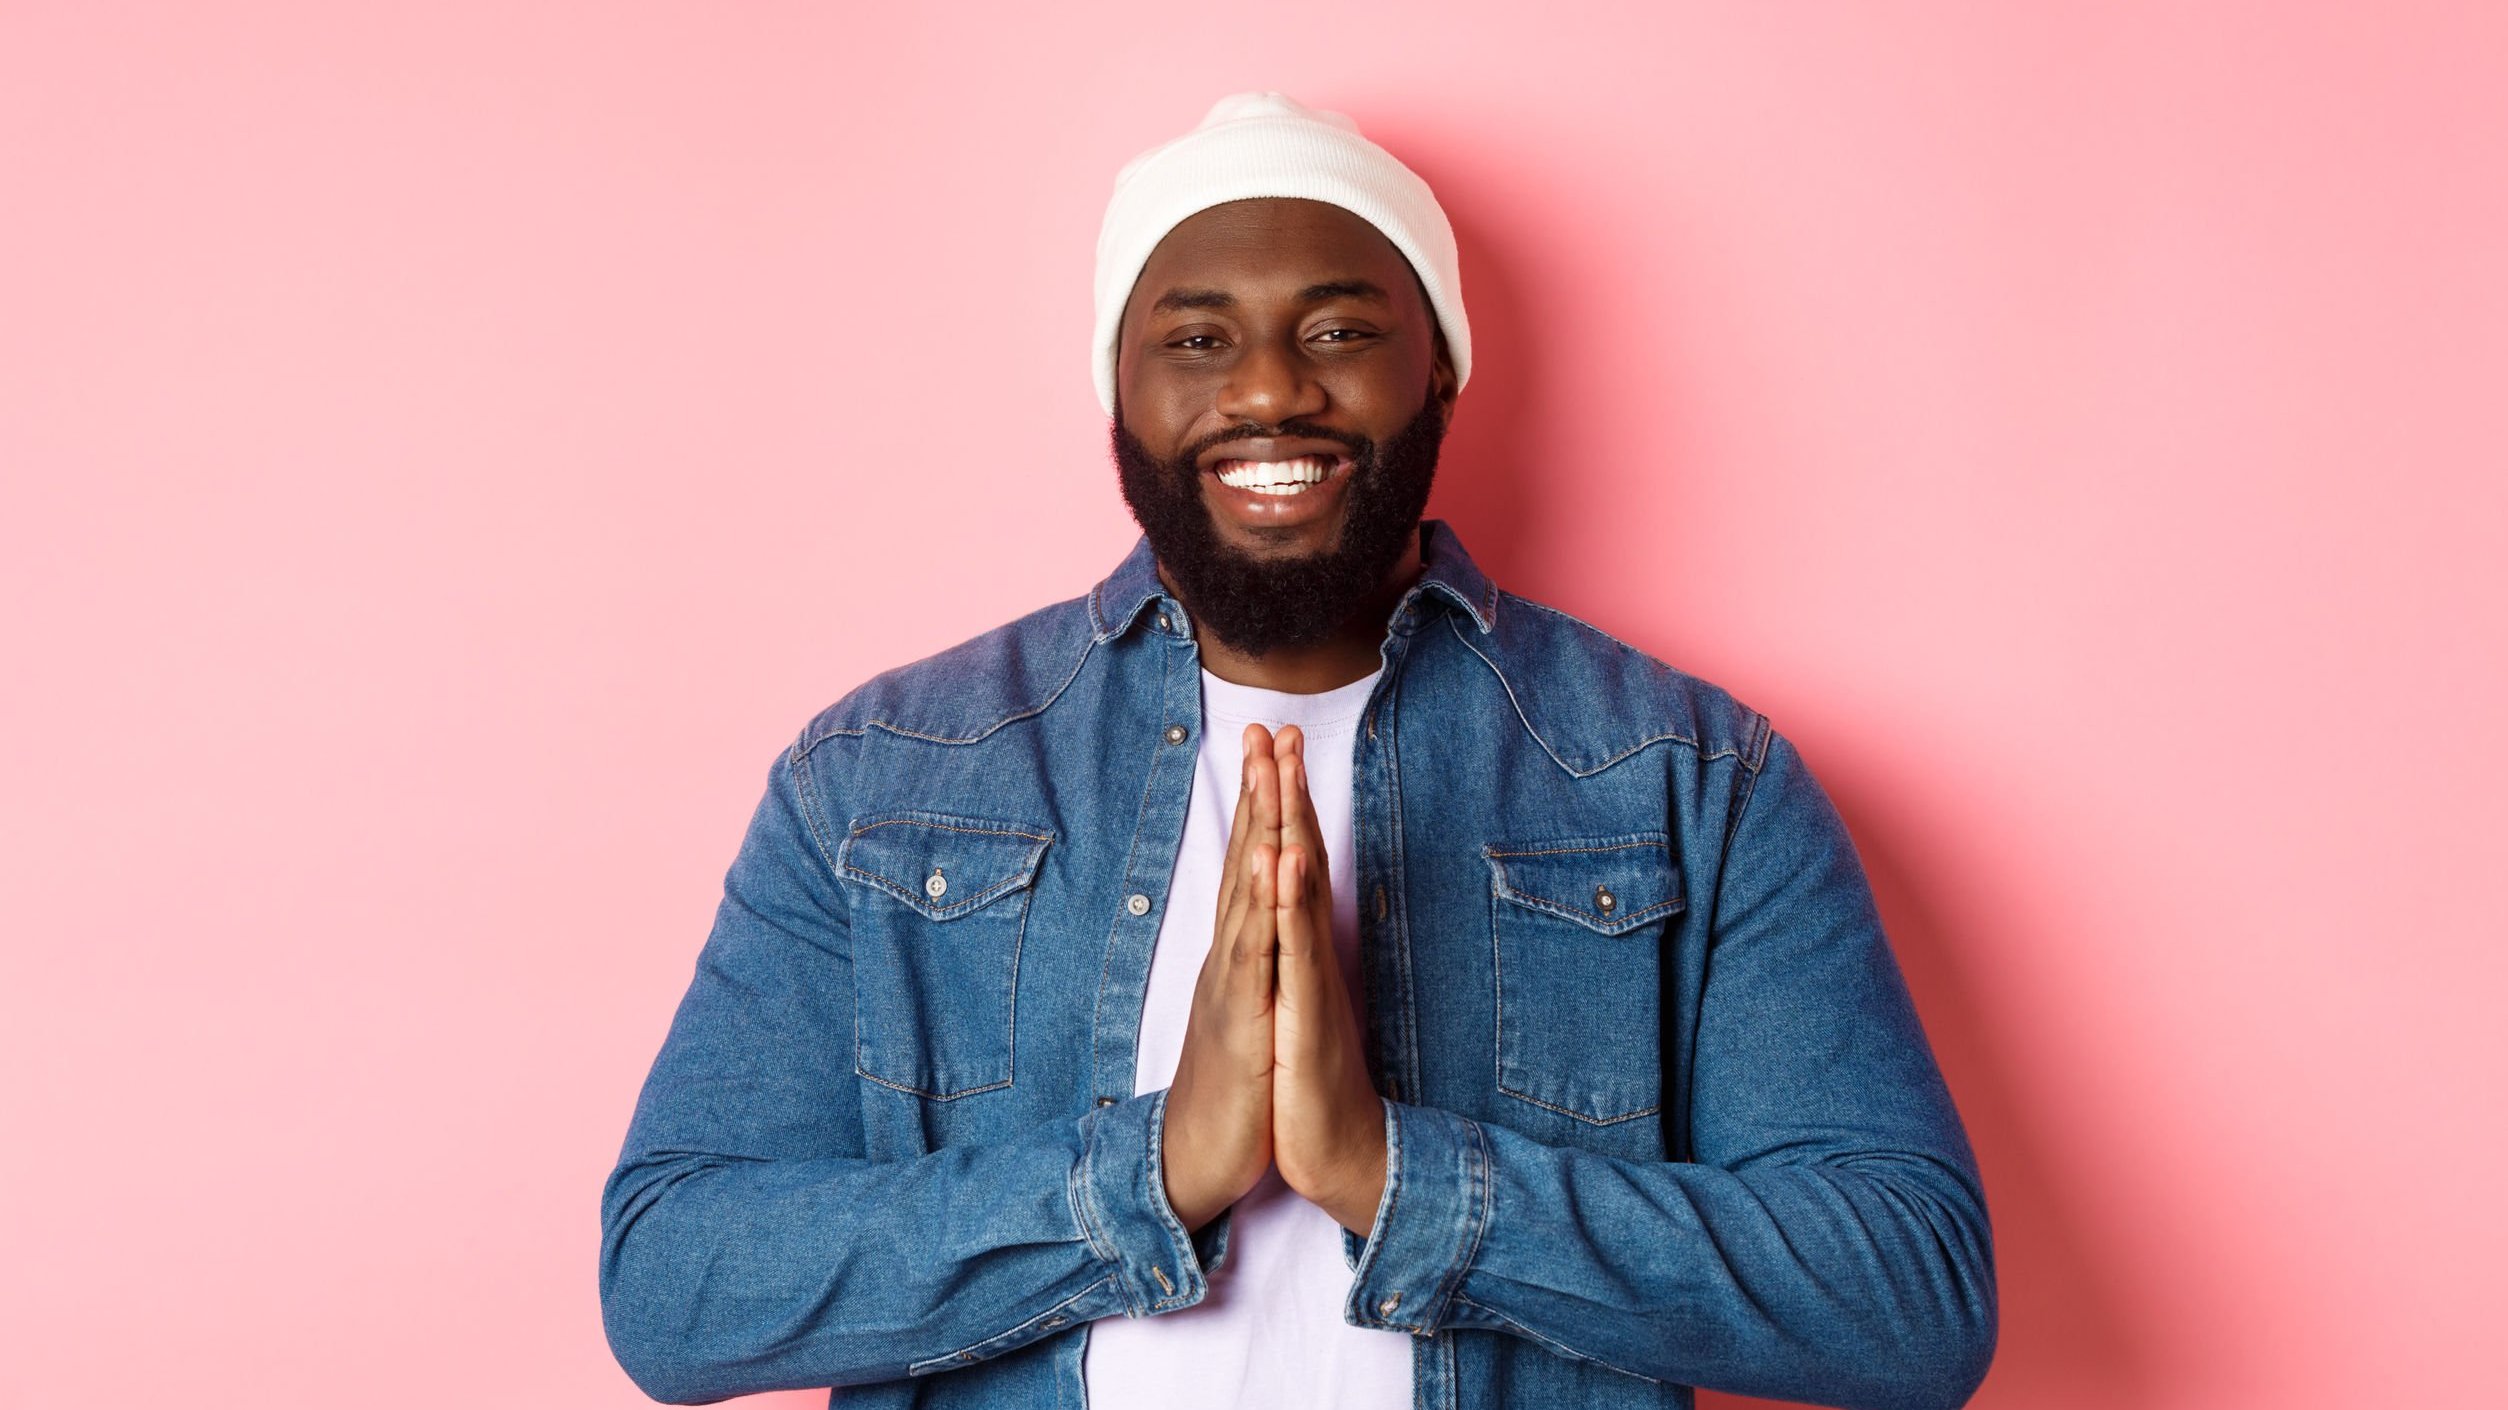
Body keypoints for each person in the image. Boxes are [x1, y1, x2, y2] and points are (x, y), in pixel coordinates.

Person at [599, 91, 1997, 1410]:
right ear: (1118, 388)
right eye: (1198, 338)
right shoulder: (884, 778)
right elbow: (673, 1278)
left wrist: (1400, 1175)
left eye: (1337, 330)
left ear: (1437, 365)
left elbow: (1914, 1293)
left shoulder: (1692, 778)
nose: (1270, 390)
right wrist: (1142, 1174)